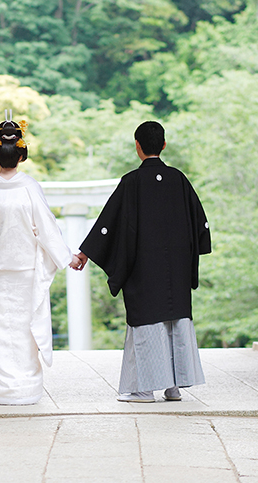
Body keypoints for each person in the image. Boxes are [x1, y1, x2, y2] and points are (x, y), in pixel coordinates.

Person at [71, 120, 210, 402]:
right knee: (174, 319)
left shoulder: (132, 182)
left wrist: (85, 252)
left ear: (138, 147)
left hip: (144, 269)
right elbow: (199, 223)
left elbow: (108, 223)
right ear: (163, 145)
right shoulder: (179, 180)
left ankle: (144, 389)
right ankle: (173, 388)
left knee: (148, 323)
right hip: (177, 269)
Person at [0, 113, 75, 405]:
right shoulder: (29, 188)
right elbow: (47, 227)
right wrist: (66, 258)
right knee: (25, 330)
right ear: (22, 154)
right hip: (26, 272)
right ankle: (26, 387)